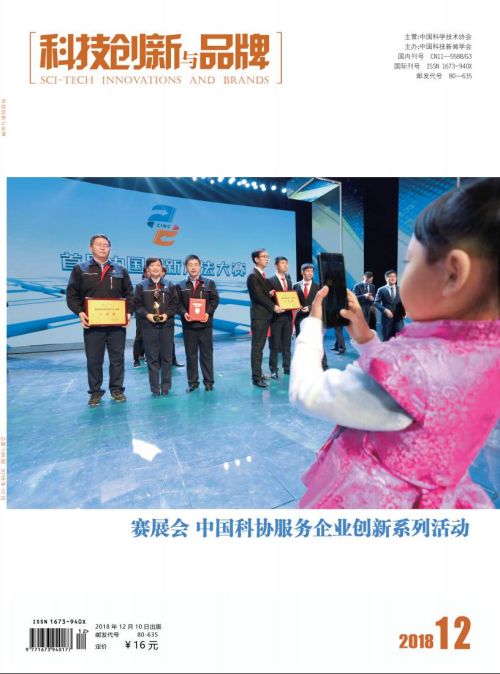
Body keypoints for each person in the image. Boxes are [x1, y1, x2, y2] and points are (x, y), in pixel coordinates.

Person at [289, 178, 500, 509]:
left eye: (410, 262)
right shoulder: (485, 354)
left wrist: (312, 323)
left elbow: (308, 392)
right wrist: (366, 338)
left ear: (453, 274)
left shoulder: (414, 366)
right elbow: (413, 398)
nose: (402, 274)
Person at [66, 234, 134, 406]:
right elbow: (72, 295)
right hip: (93, 324)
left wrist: (128, 313)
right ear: (91, 248)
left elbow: (130, 294)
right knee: (94, 360)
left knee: (117, 359)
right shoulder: (80, 269)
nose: (103, 247)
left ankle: (117, 389)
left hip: (116, 324)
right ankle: (95, 392)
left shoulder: (120, 270)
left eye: (106, 245)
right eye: (99, 244)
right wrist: (80, 312)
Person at [134, 257, 179, 397]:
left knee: (167, 357)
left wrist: (166, 314)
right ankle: (155, 388)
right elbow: (137, 305)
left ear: (161, 268)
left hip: (166, 325)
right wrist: (147, 315)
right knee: (152, 358)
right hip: (148, 326)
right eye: (152, 266)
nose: (155, 268)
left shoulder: (170, 285)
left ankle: (165, 387)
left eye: (158, 265)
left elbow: (175, 304)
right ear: (148, 269)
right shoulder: (141, 286)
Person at [176, 255, 219, 392]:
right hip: (189, 326)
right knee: (191, 355)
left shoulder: (209, 283)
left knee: (207, 355)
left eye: (196, 264)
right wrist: (184, 313)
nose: (193, 267)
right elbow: (177, 303)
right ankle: (193, 382)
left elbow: (214, 300)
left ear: (200, 266)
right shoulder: (180, 285)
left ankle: (209, 382)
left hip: (205, 325)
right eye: (190, 265)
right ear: (186, 267)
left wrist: (207, 313)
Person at [246, 249, 284, 387]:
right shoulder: (253, 276)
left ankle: (259, 373)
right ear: (256, 259)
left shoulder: (261, 275)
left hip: (264, 316)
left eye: (268, 257)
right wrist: (274, 306)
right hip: (259, 317)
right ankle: (256, 378)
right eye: (264, 257)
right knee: (257, 347)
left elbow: (262, 294)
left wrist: (269, 293)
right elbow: (258, 296)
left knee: (260, 347)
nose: (267, 259)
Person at [294, 263, 328, 370]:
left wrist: (309, 307)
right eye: (308, 271)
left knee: (317, 342)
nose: (310, 273)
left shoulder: (318, 286)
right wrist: (296, 306)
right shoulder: (295, 286)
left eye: (312, 271)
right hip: (300, 319)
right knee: (301, 343)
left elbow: (323, 302)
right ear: (302, 272)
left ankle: (324, 365)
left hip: (314, 318)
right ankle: (304, 365)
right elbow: (293, 300)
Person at [268, 256, 294, 378]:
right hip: (276, 317)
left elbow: (291, 298)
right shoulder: (270, 281)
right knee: (275, 345)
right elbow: (267, 299)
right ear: (276, 265)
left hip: (288, 317)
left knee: (287, 345)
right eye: (283, 263)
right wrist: (269, 295)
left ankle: (287, 367)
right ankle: (273, 369)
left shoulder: (289, 281)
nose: (285, 265)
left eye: (286, 263)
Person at [374, 269, 406, 341]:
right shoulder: (381, 290)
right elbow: (376, 302)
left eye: (394, 276)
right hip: (387, 319)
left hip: (399, 319)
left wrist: (405, 311)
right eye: (390, 276)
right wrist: (385, 310)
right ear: (386, 278)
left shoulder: (400, 289)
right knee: (387, 339)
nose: (393, 278)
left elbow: (405, 301)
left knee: (400, 339)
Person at [133, 265, 149, 368]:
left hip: (153, 315)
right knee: (139, 337)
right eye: (148, 271)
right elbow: (136, 302)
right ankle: (136, 359)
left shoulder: (157, 285)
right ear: (145, 273)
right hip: (141, 315)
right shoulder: (140, 285)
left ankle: (148, 356)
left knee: (150, 337)